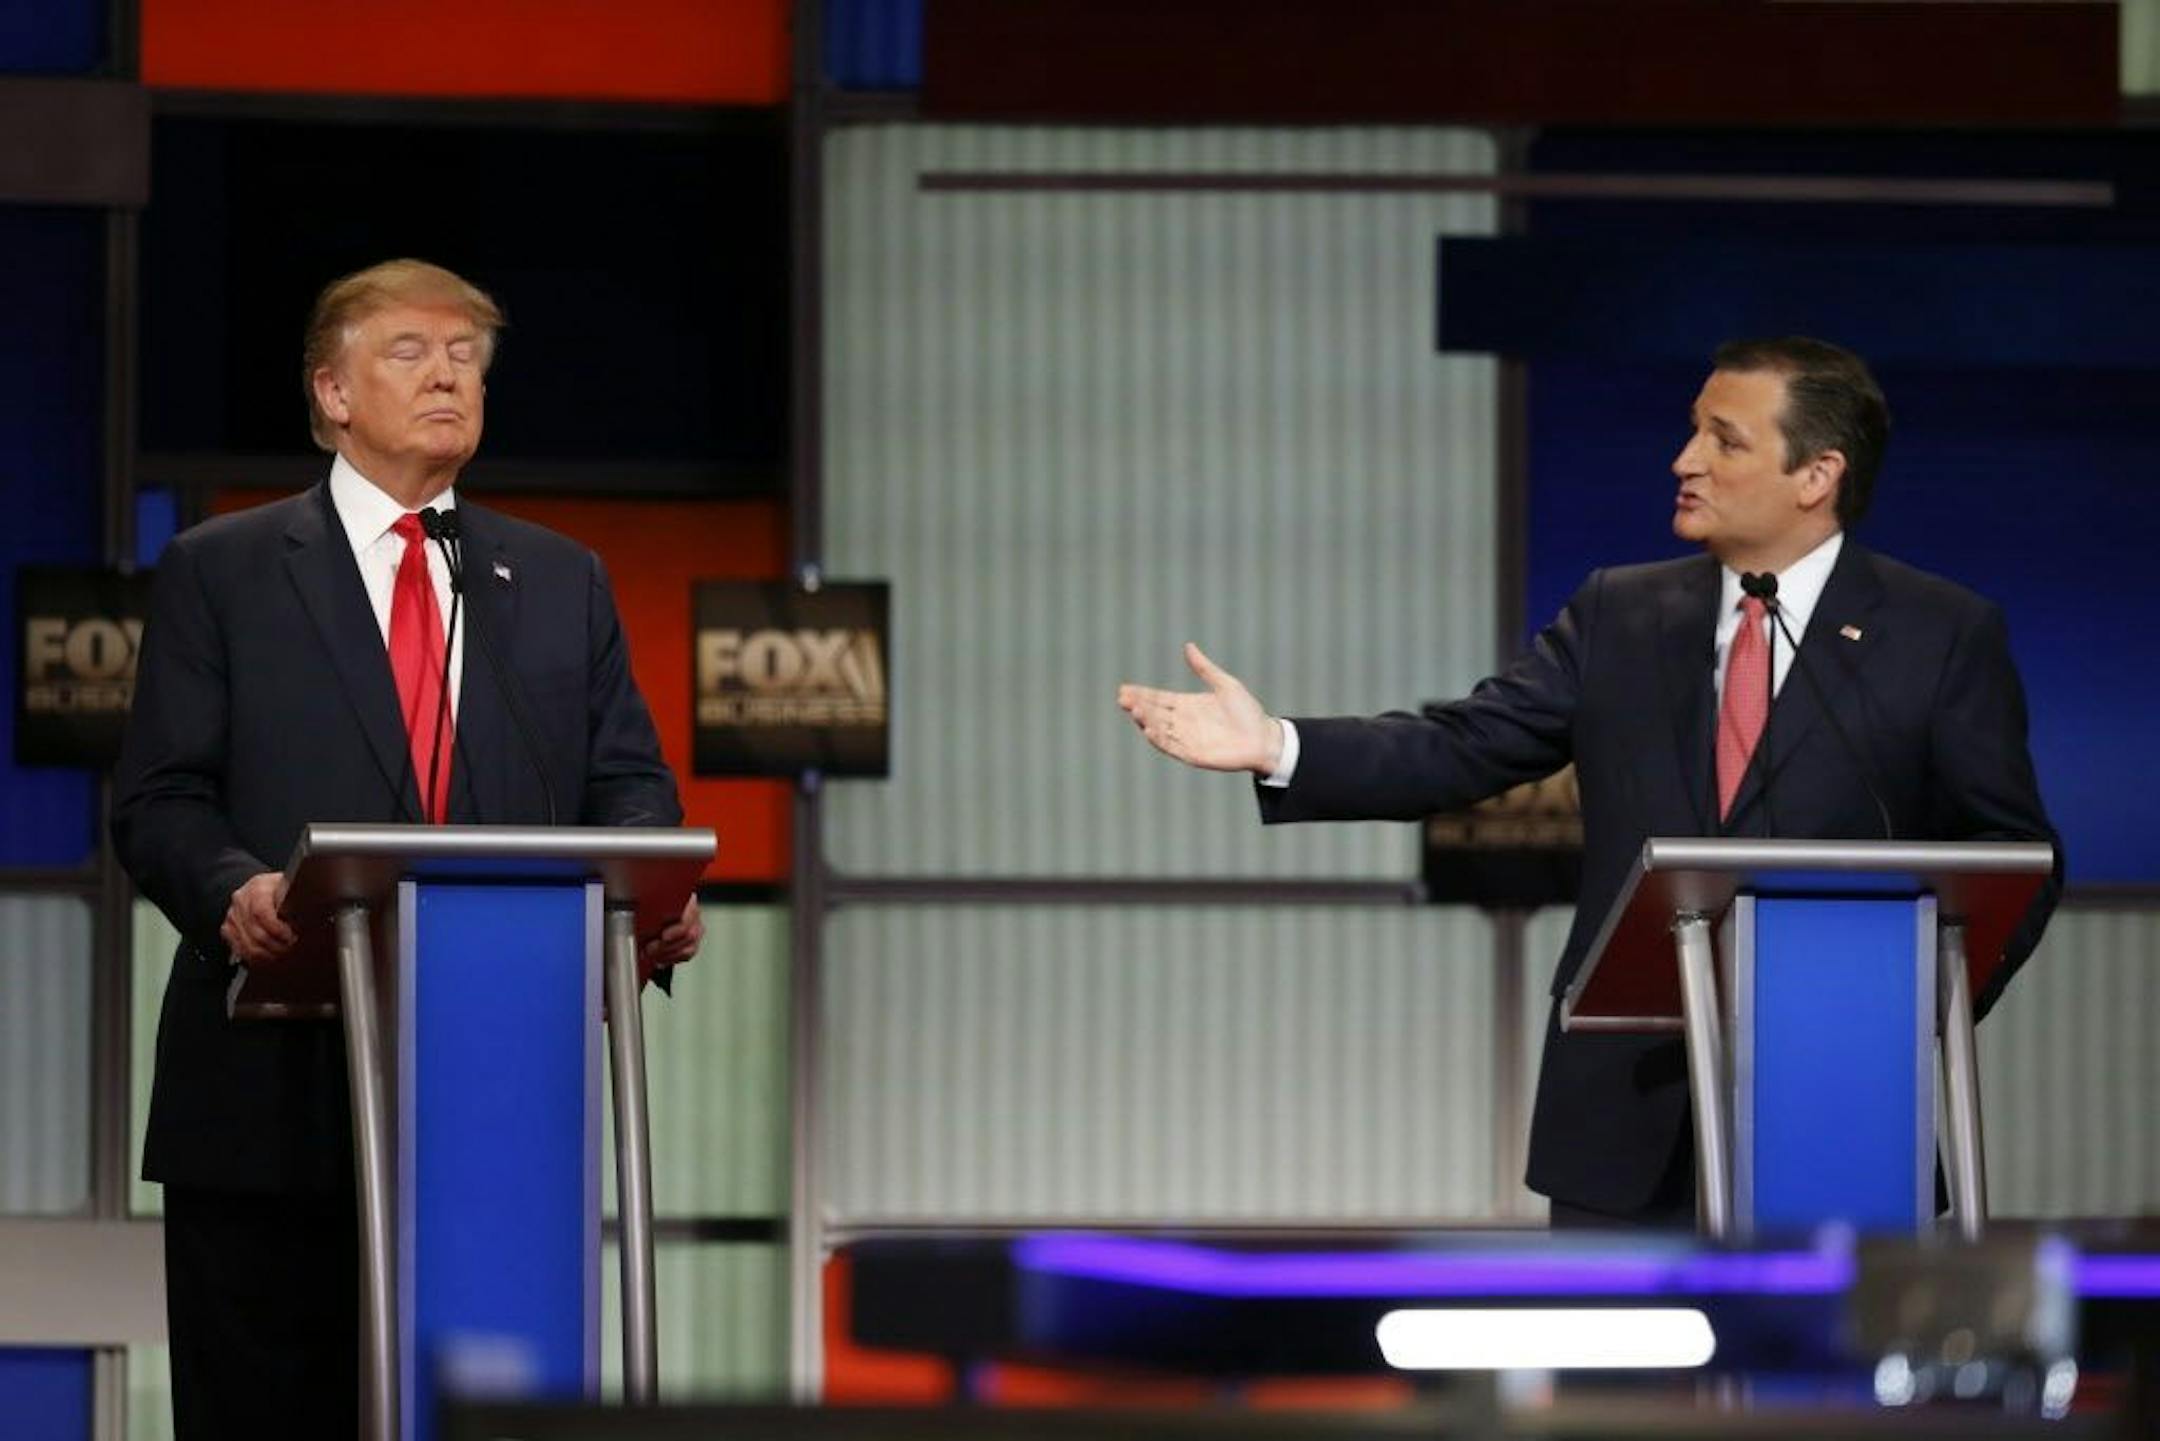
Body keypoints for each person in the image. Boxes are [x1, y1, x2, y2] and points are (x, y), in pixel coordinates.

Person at [1118, 337, 2059, 1229]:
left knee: (1813, 1400)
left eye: (1724, 440)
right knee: (1621, 1400)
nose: (1684, 459)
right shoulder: (1621, 612)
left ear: (1817, 476)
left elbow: (2015, 857)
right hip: (1624, 1120)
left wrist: (1914, 1005)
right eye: (1694, 427)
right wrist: (1278, 743)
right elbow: (1467, 745)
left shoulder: (1940, 634)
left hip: (1841, 1107)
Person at [111, 258, 702, 1437]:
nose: (448, 375)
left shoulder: (556, 579)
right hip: (272, 1088)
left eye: (467, 356)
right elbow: (160, 798)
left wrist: (649, 892)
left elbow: (630, 786)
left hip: (498, 1094)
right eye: (411, 351)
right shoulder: (222, 569)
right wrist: (235, 891)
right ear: (331, 391)